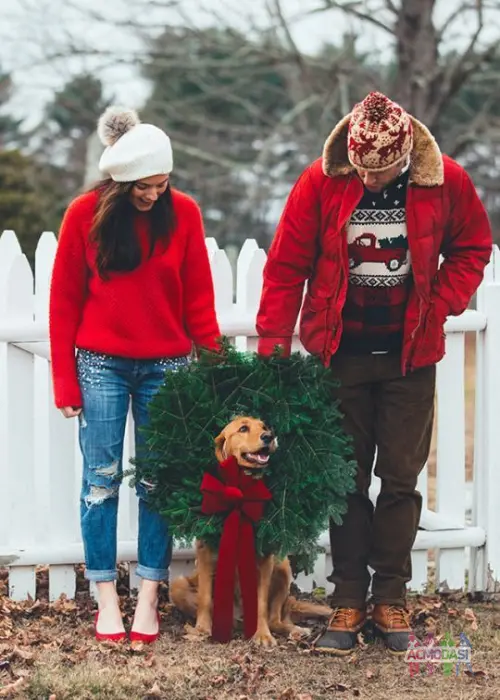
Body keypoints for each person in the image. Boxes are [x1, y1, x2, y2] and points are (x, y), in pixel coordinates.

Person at [256, 92, 492, 655]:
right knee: (347, 481)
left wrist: (443, 301)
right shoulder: (320, 182)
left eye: (381, 169)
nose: (371, 178)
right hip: (341, 355)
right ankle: (348, 600)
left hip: (411, 355)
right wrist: (272, 347)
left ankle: (390, 596)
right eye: (363, 169)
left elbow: (473, 246)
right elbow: (286, 264)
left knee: (403, 481)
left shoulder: (445, 181)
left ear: (405, 155)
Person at [49, 106, 220, 643]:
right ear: (120, 182)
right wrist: (64, 381)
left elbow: (198, 297)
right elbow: (63, 302)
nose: (153, 195)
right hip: (99, 363)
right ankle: (105, 596)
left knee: (157, 483)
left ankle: (148, 594)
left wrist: (215, 367)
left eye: (162, 184)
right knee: (100, 482)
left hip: (166, 365)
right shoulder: (84, 214)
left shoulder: (184, 214)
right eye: (143, 187)